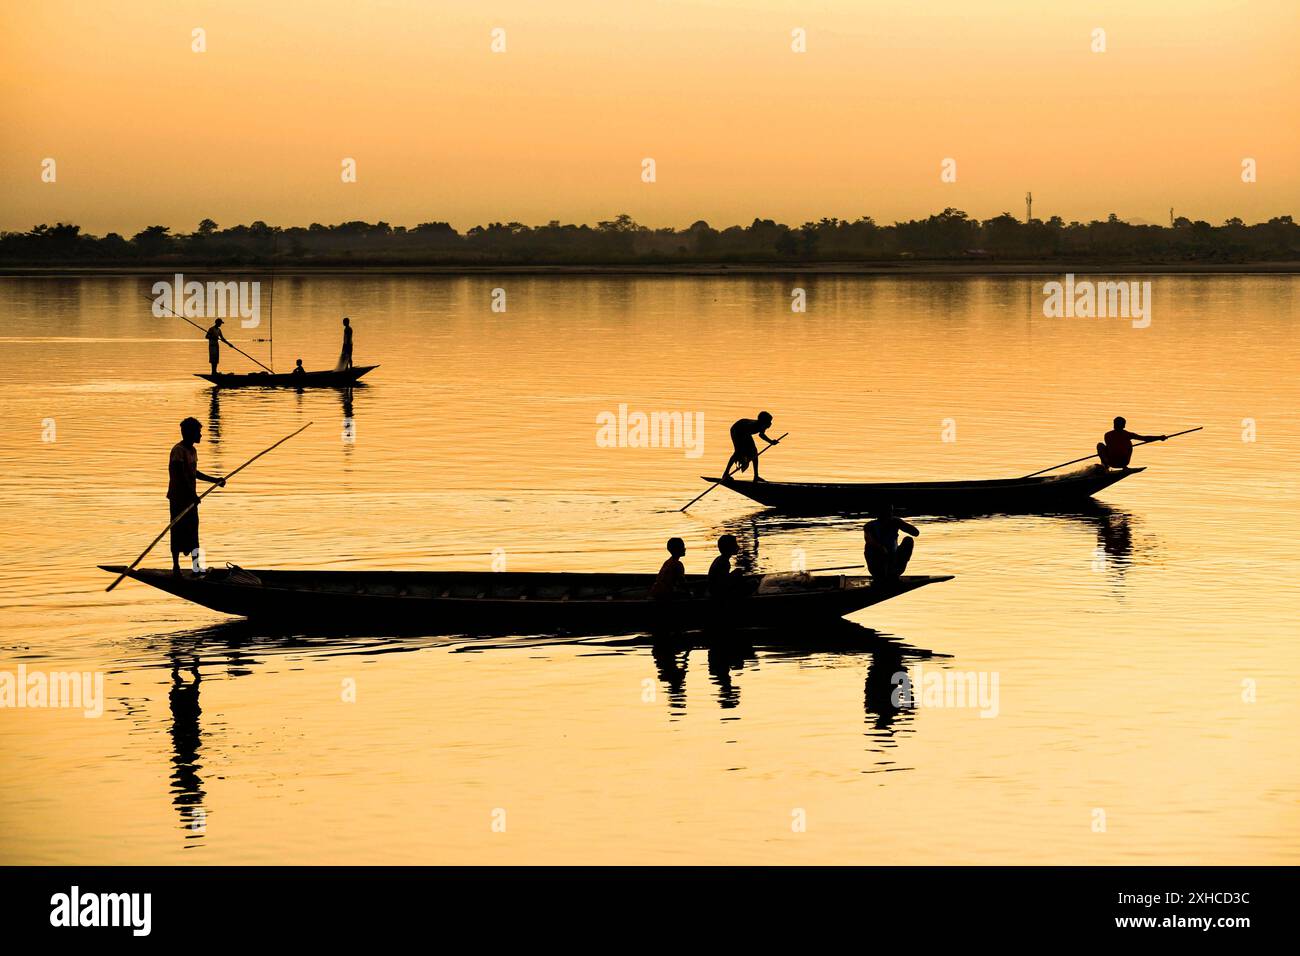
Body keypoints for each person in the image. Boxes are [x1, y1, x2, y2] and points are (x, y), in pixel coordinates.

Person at [168, 417, 226, 574]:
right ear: (189, 433)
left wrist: (215, 480)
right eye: (198, 432)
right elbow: (179, 475)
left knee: (193, 532)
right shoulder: (178, 451)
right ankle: (176, 567)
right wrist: (192, 494)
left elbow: (194, 474)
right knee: (177, 530)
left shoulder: (192, 451)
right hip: (178, 499)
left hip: (190, 499)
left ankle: (196, 566)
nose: (200, 435)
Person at [864, 505, 919, 581]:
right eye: (886, 512)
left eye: (890, 512)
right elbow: (869, 540)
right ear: (879, 514)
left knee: (908, 540)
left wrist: (900, 523)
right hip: (877, 567)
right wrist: (881, 548)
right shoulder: (869, 526)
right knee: (870, 546)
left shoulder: (895, 522)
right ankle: (882, 575)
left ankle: (893, 573)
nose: (889, 514)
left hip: (894, 564)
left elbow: (916, 533)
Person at [724, 411, 779, 482]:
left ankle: (756, 476)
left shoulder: (762, 425)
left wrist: (771, 442)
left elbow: (761, 435)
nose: (770, 423)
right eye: (769, 421)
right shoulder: (754, 425)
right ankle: (725, 474)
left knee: (754, 452)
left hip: (746, 433)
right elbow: (744, 439)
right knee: (738, 452)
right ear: (763, 421)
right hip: (736, 430)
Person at [1097, 417, 1166, 469]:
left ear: (1114, 425)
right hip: (1122, 463)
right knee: (1127, 443)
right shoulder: (1128, 434)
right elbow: (1145, 438)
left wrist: (1159, 437)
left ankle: (1105, 466)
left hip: (1111, 462)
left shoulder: (1107, 435)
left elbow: (1111, 448)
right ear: (1124, 426)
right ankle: (1110, 466)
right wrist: (1159, 438)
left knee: (1100, 445)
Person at [707, 534, 746, 598]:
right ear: (729, 548)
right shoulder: (724, 562)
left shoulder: (720, 559)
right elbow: (723, 584)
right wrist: (734, 574)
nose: (738, 547)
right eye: (735, 545)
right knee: (753, 583)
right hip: (717, 594)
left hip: (715, 590)